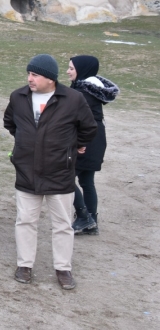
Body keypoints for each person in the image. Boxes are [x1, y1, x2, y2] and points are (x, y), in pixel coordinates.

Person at [4, 54, 98, 290]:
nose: (30, 79)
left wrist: (72, 147)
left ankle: (63, 269)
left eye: (35, 74)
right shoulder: (18, 97)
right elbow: (10, 123)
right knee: (25, 221)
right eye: (28, 74)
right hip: (26, 171)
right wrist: (27, 143)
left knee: (63, 224)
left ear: (50, 78)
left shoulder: (73, 99)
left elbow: (89, 128)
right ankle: (24, 265)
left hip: (60, 172)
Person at [66, 55, 119, 235]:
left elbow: (73, 119)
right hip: (96, 139)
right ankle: (91, 222)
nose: (68, 72)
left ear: (82, 70)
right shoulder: (90, 89)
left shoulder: (83, 93)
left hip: (87, 141)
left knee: (65, 177)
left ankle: (83, 217)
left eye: (71, 68)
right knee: (87, 181)